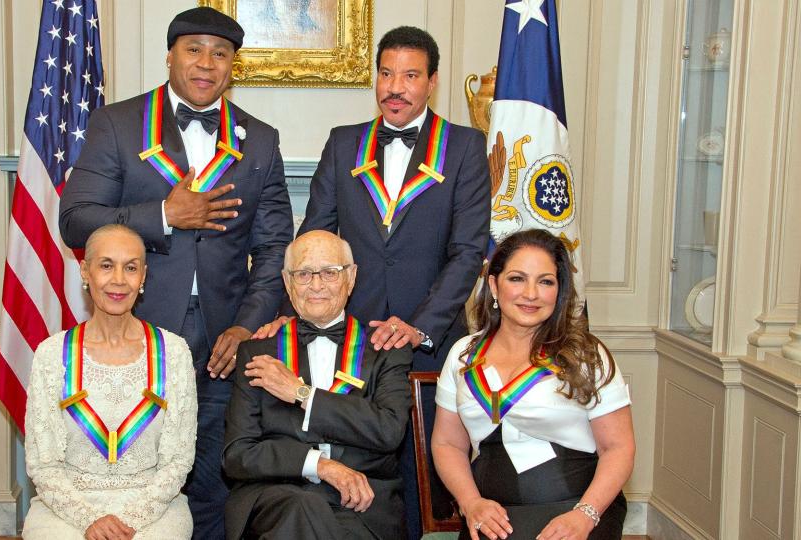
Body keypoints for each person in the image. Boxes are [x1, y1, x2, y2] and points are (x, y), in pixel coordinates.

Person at [58, 7, 293, 537]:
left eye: (220, 53)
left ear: (234, 65)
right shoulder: (117, 124)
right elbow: (75, 219)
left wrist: (246, 323)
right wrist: (164, 215)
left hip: (222, 342)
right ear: (169, 55)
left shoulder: (260, 139)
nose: (205, 63)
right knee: (136, 475)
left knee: (211, 478)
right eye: (193, 49)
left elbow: (276, 247)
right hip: (131, 336)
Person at [255, 26, 491, 536]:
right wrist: (288, 305)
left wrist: (419, 326)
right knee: (356, 467)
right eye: (386, 74)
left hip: (429, 341)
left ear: (432, 81)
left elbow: (468, 251)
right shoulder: (345, 144)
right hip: (351, 343)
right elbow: (313, 233)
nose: (395, 87)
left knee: (425, 475)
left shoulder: (467, 147)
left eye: (410, 75)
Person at [432, 229, 635, 540]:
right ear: (493, 285)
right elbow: (447, 444)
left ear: (559, 291)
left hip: (578, 511)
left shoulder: (587, 355)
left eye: (545, 281)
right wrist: (471, 503)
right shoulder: (462, 355)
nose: (531, 293)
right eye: (517, 278)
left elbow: (618, 448)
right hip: (492, 517)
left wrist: (585, 515)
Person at [223, 230, 412, 540]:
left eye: (329, 272)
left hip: (361, 503)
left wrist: (302, 395)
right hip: (278, 495)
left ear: (351, 278)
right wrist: (320, 466)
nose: (316, 285)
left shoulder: (385, 349)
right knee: (302, 509)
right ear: (287, 282)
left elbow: (389, 431)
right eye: (304, 274)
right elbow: (238, 454)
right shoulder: (257, 351)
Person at [23, 224, 197, 539]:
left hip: (153, 505)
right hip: (67, 506)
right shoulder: (52, 355)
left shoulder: (173, 352)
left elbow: (177, 461)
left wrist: (130, 519)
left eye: (130, 268)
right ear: (85, 271)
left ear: (143, 276)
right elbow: (43, 464)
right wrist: (89, 520)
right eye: (106, 266)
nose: (118, 279)